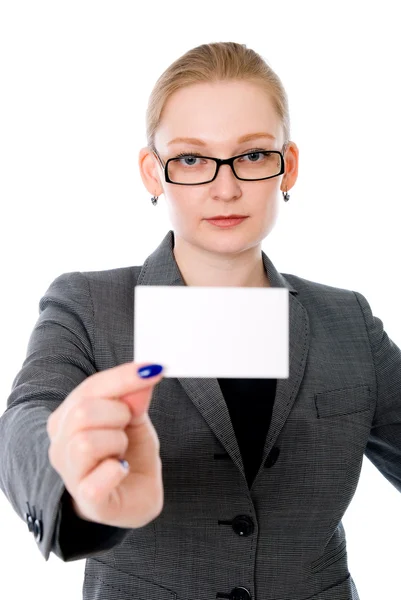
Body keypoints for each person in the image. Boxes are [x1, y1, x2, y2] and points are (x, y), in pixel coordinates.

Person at [0, 41, 400, 600]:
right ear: (153, 172)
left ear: (289, 166)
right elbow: (27, 418)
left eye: (254, 154)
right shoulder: (89, 304)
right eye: (191, 159)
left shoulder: (349, 321)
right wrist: (75, 476)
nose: (225, 187)